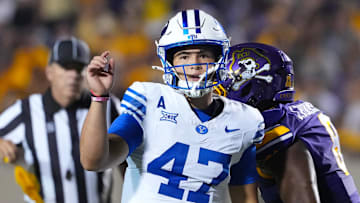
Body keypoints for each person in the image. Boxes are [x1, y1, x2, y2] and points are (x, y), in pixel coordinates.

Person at [80, 9, 264, 203]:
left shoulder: (243, 120)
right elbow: (94, 160)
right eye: (184, 56)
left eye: (203, 55)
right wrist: (99, 97)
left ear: (219, 59)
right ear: (169, 62)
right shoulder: (150, 101)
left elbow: (245, 197)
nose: (194, 64)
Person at [219, 42, 360, 203]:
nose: (217, 92)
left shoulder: (281, 133)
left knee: (290, 156)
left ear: (250, 87)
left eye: (222, 82)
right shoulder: (294, 115)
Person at [0, 37, 120, 203]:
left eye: (79, 67)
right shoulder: (26, 110)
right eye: (65, 67)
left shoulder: (107, 105)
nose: (73, 75)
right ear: (49, 72)